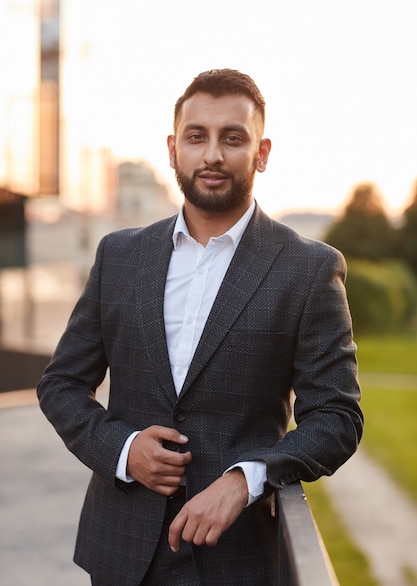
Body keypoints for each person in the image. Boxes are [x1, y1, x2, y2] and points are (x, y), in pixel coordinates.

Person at [37, 68, 363, 585]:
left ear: (262, 152)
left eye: (232, 138)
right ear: (173, 149)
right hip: (119, 553)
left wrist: (245, 479)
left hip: (236, 559)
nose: (212, 154)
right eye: (197, 136)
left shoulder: (308, 269)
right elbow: (60, 385)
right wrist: (122, 450)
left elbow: (338, 417)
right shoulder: (119, 256)